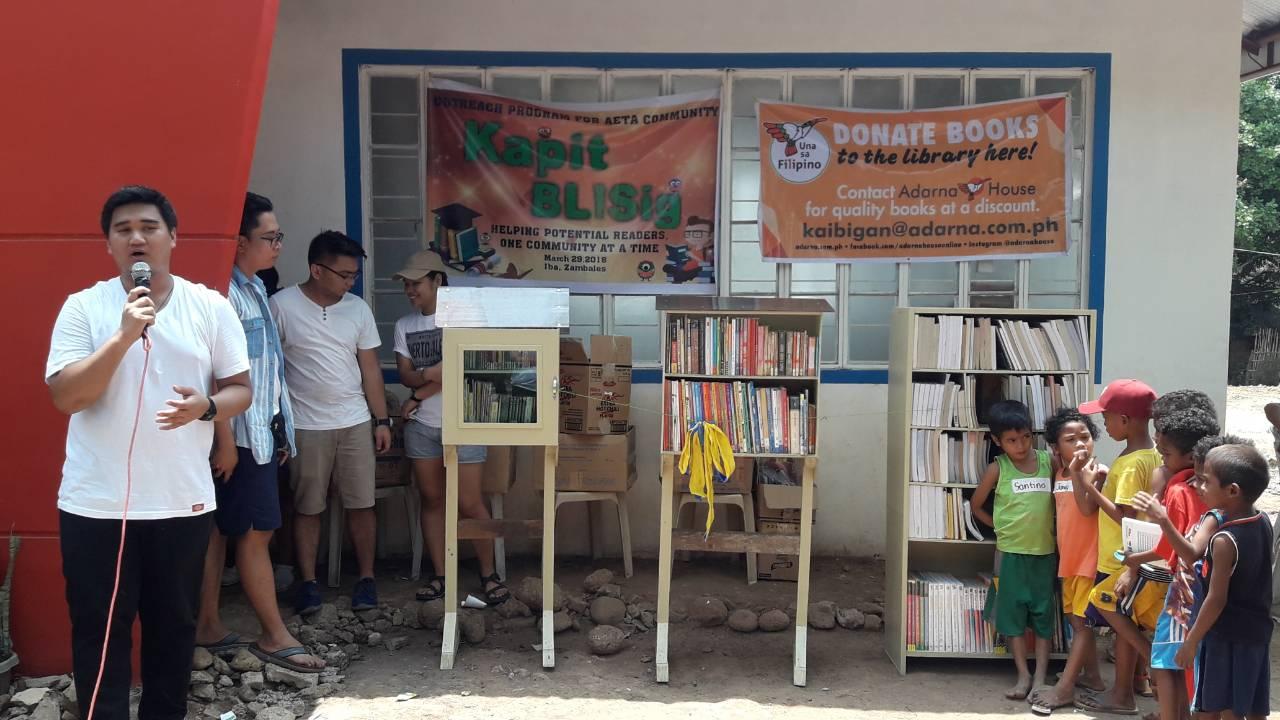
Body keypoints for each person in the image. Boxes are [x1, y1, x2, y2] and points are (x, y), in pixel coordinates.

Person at [46, 186, 252, 720]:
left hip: (181, 502)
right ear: (109, 244)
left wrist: (207, 407)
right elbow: (68, 396)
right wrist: (121, 336)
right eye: (123, 229)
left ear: (173, 237)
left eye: (149, 227)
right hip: (97, 507)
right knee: (100, 634)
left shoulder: (209, 305)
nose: (137, 237)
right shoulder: (83, 308)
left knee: (173, 632)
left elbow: (240, 388)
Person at [194, 193, 323, 671]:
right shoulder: (222, 295)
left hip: (260, 435)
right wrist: (225, 441)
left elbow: (270, 374)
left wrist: (281, 429)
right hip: (240, 439)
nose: (278, 246)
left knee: (221, 533)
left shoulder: (252, 288)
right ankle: (274, 635)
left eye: (279, 237)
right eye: (270, 238)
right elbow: (216, 375)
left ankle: (207, 624)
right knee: (256, 533)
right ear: (238, 241)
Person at [272, 230, 392, 614]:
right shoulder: (281, 306)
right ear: (316, 270)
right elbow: (270, 371)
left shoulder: (357, 309)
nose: (350, 282)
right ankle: (308, 583)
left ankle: (367, 579)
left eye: (354, 275)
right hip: (305, 425)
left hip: (354, 420)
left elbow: (370, 369)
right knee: (308, 507)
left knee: (362, 504)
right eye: (344, 275)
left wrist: (382, 420)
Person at [391, 252, 510, 605]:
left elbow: (467, 366)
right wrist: (429, 377)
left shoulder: (466, 316)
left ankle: (489, 575)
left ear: (437, 281)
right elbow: (405, 374)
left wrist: (418, 392)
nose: (410, 290)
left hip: (466, 421)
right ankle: (442, 576)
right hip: (423, 426)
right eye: (407, 284)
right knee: (431, 500)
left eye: (416, 283)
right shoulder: (404, 325)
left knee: (471, 501)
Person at [1133, 433, 1248, 720]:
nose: (1195, 484)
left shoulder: (1217, 519)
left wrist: (1162, 519)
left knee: (1196, 684)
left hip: (1189, 607)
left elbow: (1190, 554)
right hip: (1194, 608)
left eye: (1202, 478)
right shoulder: (1247, 520)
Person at [1071, 379, 1163, 716]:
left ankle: (1127, 690)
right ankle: (1134, 684)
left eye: (1107, 417)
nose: (1104, 425)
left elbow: (1122, 516)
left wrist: (1087, 486)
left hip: (1120, 557)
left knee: (1121, 622)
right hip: (1134, 554)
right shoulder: (1152, 455)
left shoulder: (1130, 463)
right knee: (1131, 621)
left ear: (1125, 420)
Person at [1119, 408, 1218, 720]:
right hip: (1206, 590)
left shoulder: (1179, 489)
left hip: (1184, 592)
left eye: (1165, 454)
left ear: (1190, 456)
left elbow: (1172, 547)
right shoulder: (1219, 489)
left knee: (1165, 661)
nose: (1161, 459)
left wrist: (1133, 560)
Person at [1173, 444, 1273, 720]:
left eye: (1205, 480)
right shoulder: (1263, 520)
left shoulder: (1223, 540)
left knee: (1209, 709)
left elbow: (1216, 599)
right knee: (1249, 705)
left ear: (1232, 491)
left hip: (1223, 637)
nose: (1198, 485)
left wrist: (1191, 642)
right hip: (1255, 634)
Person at [969, 400, 1056, 701]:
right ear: (996, 441)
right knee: (1012, 617)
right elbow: (976, 505)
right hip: (1008, 555)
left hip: (1044, 554)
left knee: (1044, 616)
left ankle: (1042, 676)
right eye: (1011, 441)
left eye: (1026, 437)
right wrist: (998, 527)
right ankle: (1023, 675)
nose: (1020, 446)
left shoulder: (1049, 462)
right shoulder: (998, 469)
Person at [1028, 408, 1106, 714]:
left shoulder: (1097, 472)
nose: (1080, 444)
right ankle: (1095, 678)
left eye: (1085, 437)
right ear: (1055, 448)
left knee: (1083, 624)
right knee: (1076, 620)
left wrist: (1077, 473)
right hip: (1068, 560)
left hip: (1089, 559)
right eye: (1070, 439)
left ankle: (1064, 690)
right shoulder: (1058, 474)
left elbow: (1087, 510)